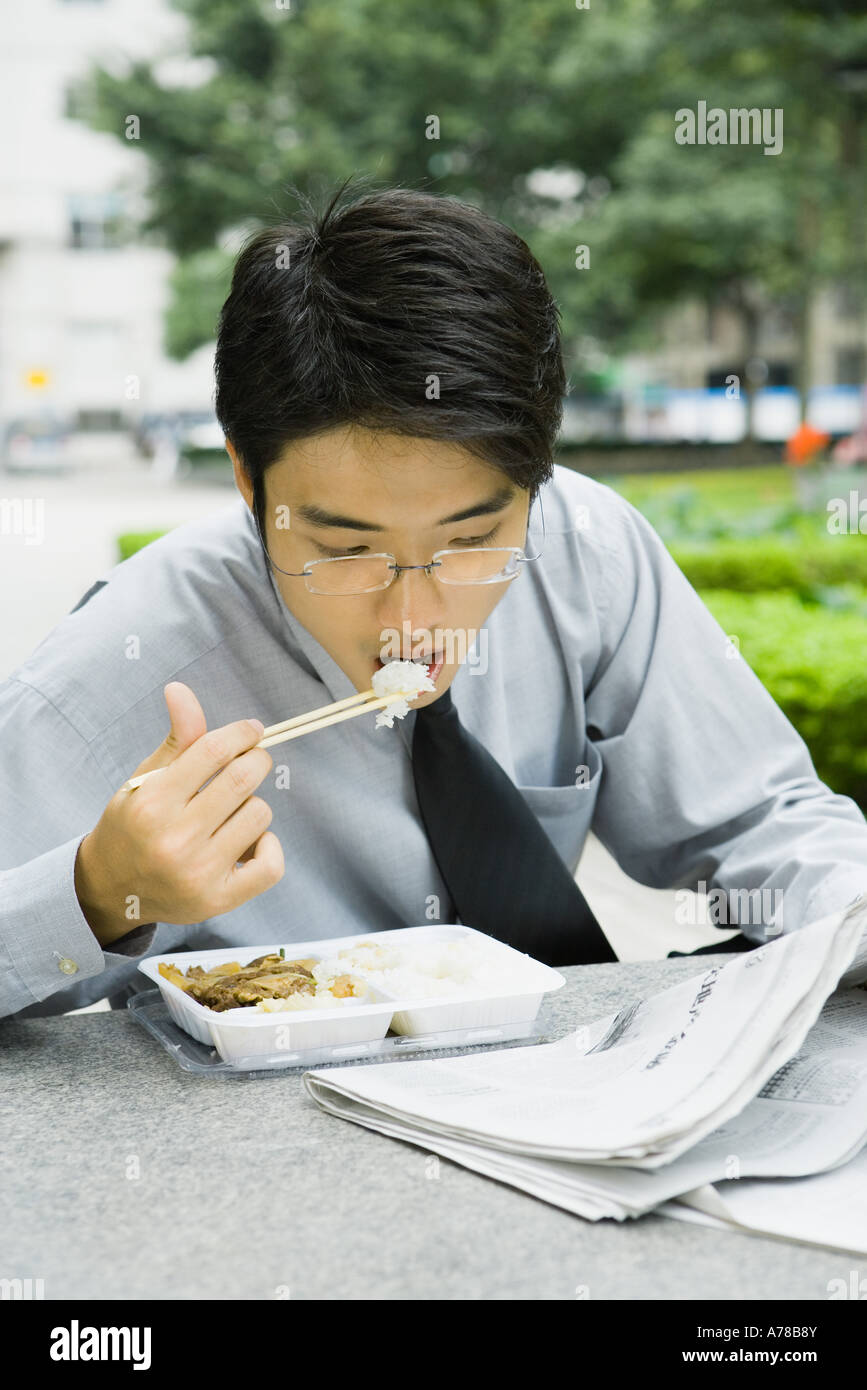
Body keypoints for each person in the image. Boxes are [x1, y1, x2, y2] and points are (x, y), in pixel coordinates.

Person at [3, 182, 867, 1020]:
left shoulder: (583, 552)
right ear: (244, 475)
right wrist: (98, 890)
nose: (414, 618)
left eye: (469, 542)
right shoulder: (124, 663)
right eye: (345, 550)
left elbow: (758, 821)